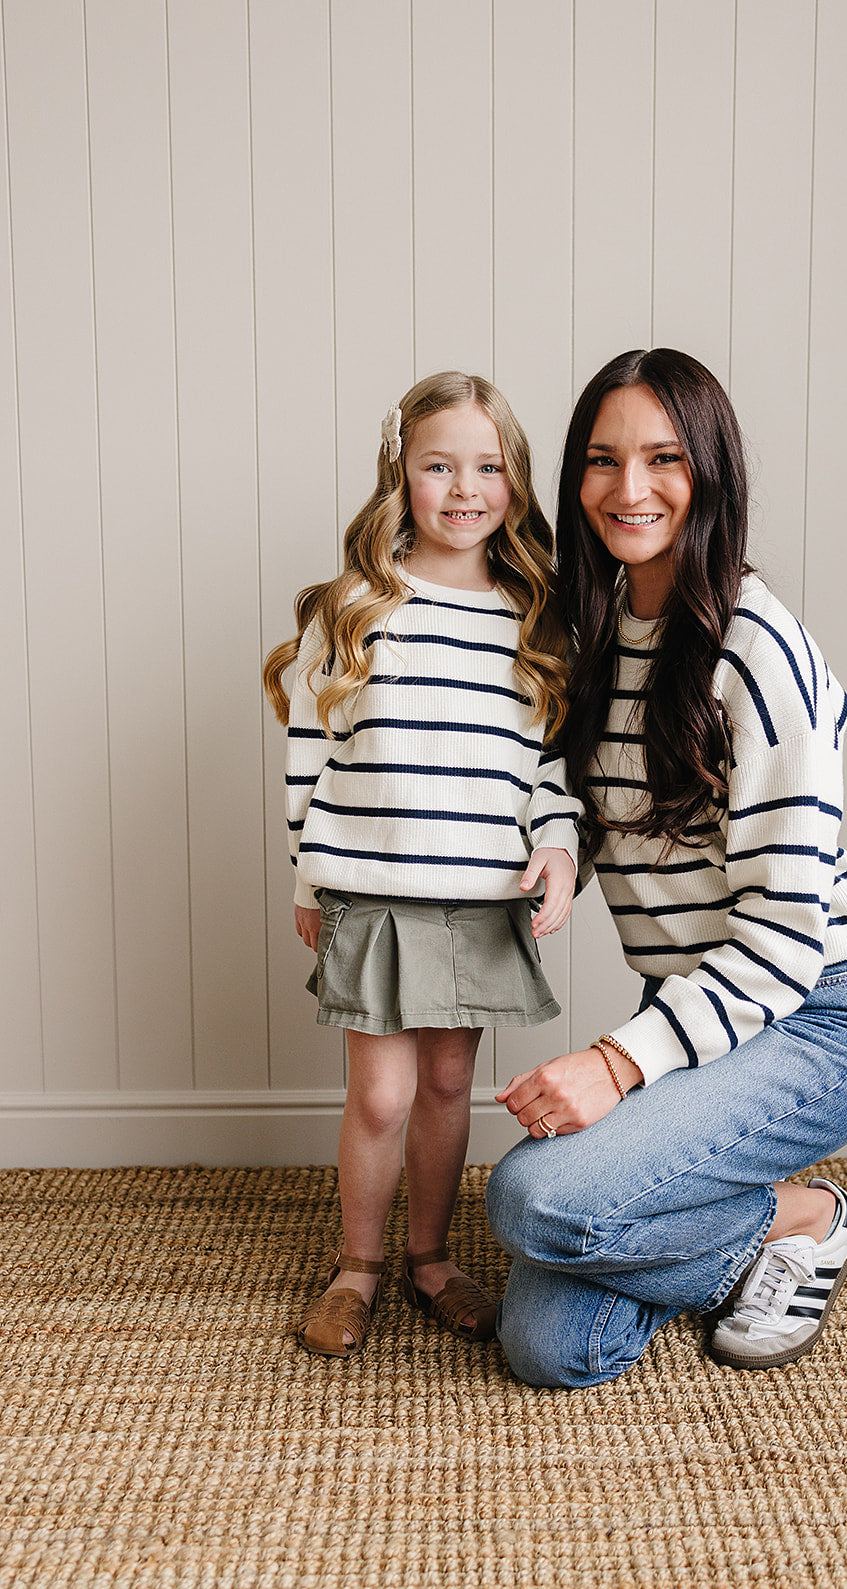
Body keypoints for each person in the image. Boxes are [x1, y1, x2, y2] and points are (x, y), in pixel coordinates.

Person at [486, 348, 847, 1388]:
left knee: (532, 1200)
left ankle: (807, 1214)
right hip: (695, 998)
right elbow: (599, 793)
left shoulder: (759, 654)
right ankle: (739, 1231)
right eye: (599, 459)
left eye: (662, 458)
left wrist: (615, 1064)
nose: (627, 490)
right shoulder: (596, 630)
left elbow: (776, 946)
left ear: (709, 471)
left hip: (820, 1012)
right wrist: (559, 848)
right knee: (550, 1347)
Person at [263, 371, 580, 1358]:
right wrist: (310, 877)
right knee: (381, 1095)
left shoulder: (533, 615)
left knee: (448, 1087)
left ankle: (430, 1258)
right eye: (437, 465)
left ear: (514, 482)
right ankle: (356, 1267)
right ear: (399, 475)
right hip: (375, 890)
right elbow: (308, 756)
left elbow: (550, 764)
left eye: (486, 467)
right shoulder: (358, 605)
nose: (461, 488)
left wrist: (558, 847)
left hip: (478, 898)